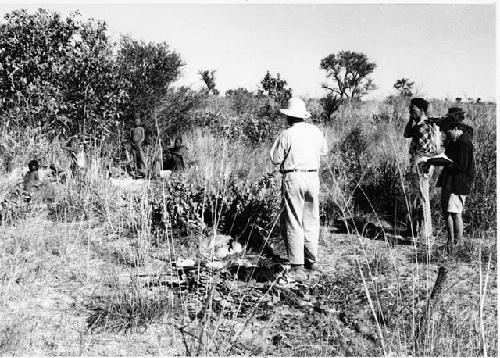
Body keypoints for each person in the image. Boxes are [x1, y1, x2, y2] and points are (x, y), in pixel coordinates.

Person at [270, 97, 328, 282]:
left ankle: (297, 265)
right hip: (312, 176)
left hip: (294, 177)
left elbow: (276, 158)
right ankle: (312, 260)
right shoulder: (315, 131)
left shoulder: (287, 134)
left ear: (289, 116)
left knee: (294, 219)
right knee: (311, 219)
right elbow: (323, 151)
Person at [434, 117, 475, 254]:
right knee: (448, 212)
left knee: (455, 213)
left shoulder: (464, 143)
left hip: (459, 182)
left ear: (457, 129)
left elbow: (461, 166)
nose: (447, 134)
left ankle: (457, 243)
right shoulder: (456, 141)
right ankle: (451, 242)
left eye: (448, 131)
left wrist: (445, 163)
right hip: (452, 181)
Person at [403, 98, 440, 243]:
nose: (411, 111)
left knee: (423, 199)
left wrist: (418, 158)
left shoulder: (424, 126)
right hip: (418, 165)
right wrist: (411, 118)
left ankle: (426, 233)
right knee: (418, 198)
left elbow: (426, 149)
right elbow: (407, 134)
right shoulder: (420, 124)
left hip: (421, 165)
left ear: (421, 110)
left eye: (413, 109)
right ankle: (419, 231)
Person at [130, 113, 146, 178]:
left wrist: (140, 142)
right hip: (133, 145)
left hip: (139, 145)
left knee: (141, 157)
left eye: (138, 121)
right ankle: (136, 171)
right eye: (135, 121)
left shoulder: (141, 129)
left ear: (140, 122)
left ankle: (143, 170)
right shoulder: (132, 129)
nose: (137, 122)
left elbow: (143, 137)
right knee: (134, 158)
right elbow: (130, 138)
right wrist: (132, 143)